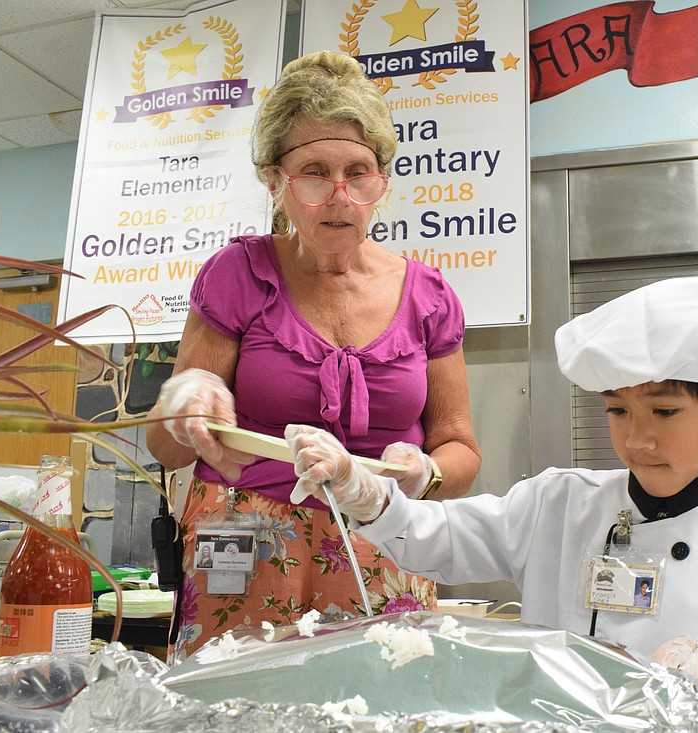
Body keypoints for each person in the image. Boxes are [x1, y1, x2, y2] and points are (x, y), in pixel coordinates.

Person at [286, 274, 698, 713]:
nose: (637, 439)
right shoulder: (559, 502)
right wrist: (369, 496)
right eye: (617, 411)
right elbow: (441, 539)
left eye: (665, 411)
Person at [145, 50, 481, 660]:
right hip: (244, 542)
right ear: (275, 182)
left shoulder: (429, 297)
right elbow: (165, 447)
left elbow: (459, 446)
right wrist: (183, 405)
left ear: (383, 179)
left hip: (383, 534)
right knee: (234, 710)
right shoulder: (238, 275)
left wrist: (426, 473)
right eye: (314, 173)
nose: (340, 196)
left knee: (383, 707)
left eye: (359, 172)